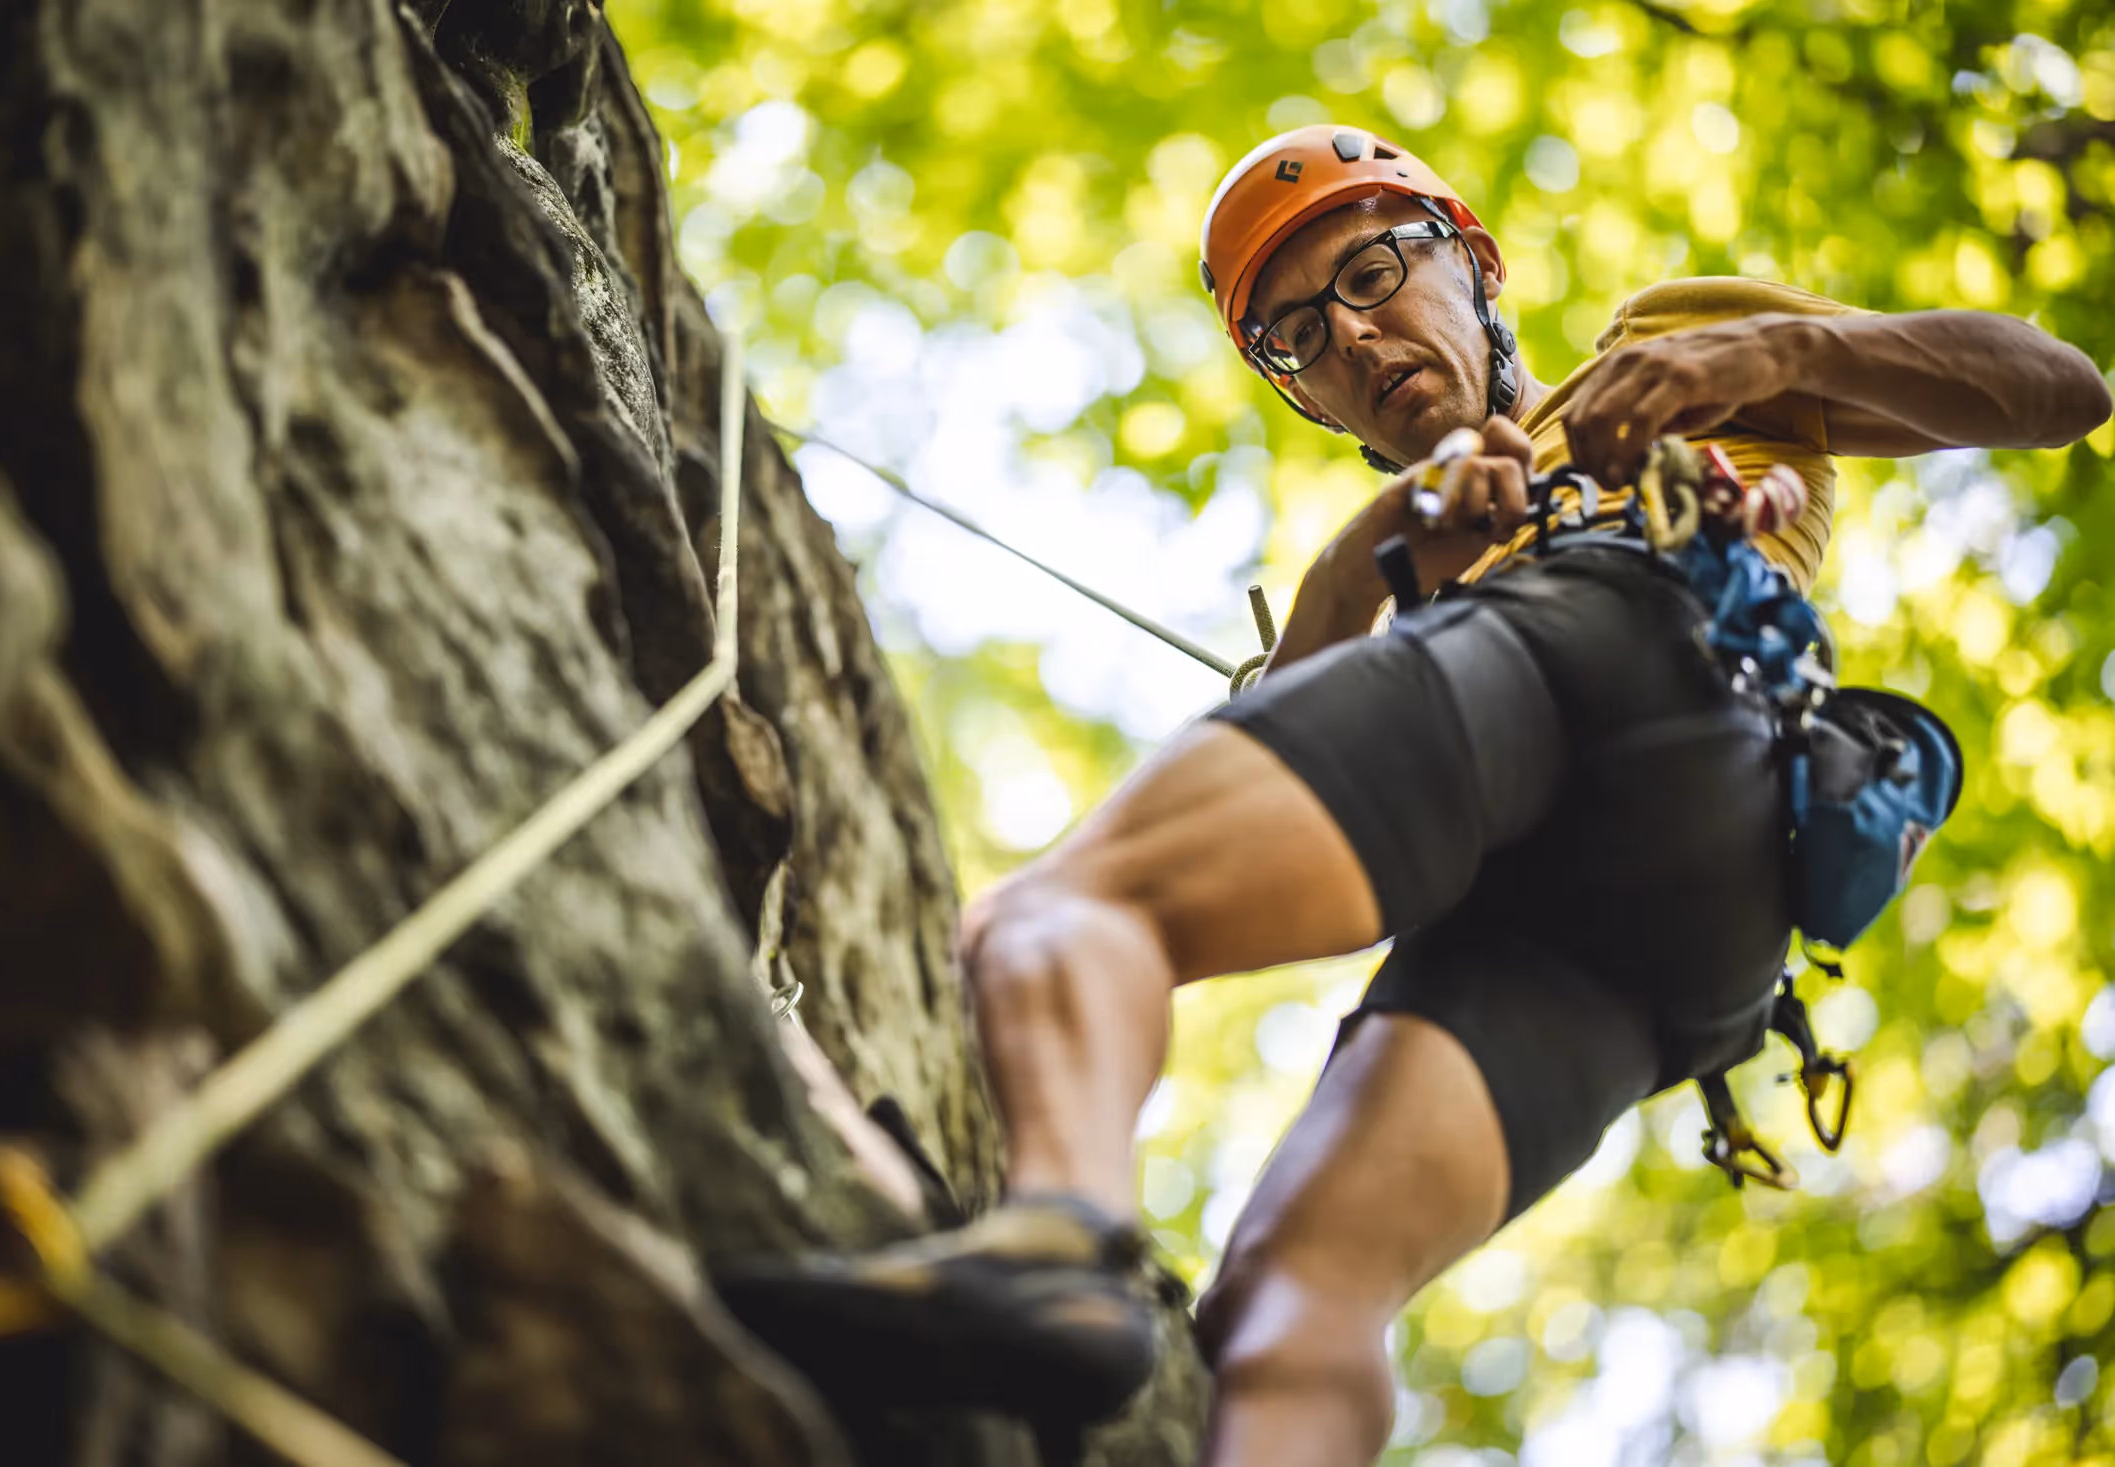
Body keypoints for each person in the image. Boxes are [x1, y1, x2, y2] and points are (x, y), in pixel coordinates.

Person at [716, 123, 2112, 1465]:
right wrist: (1365, 564)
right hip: (1664, 928)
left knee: (1069, 906)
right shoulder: (1404, 554)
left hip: (1648, 654)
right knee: (1278, 1298)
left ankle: (1054, 1244)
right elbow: (1269, 746)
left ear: (1474, 262)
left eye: (1371, 273)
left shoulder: (1661, 357)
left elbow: (2057, 389)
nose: (1354, 338)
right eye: (1298, 338)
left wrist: (1757, 350)